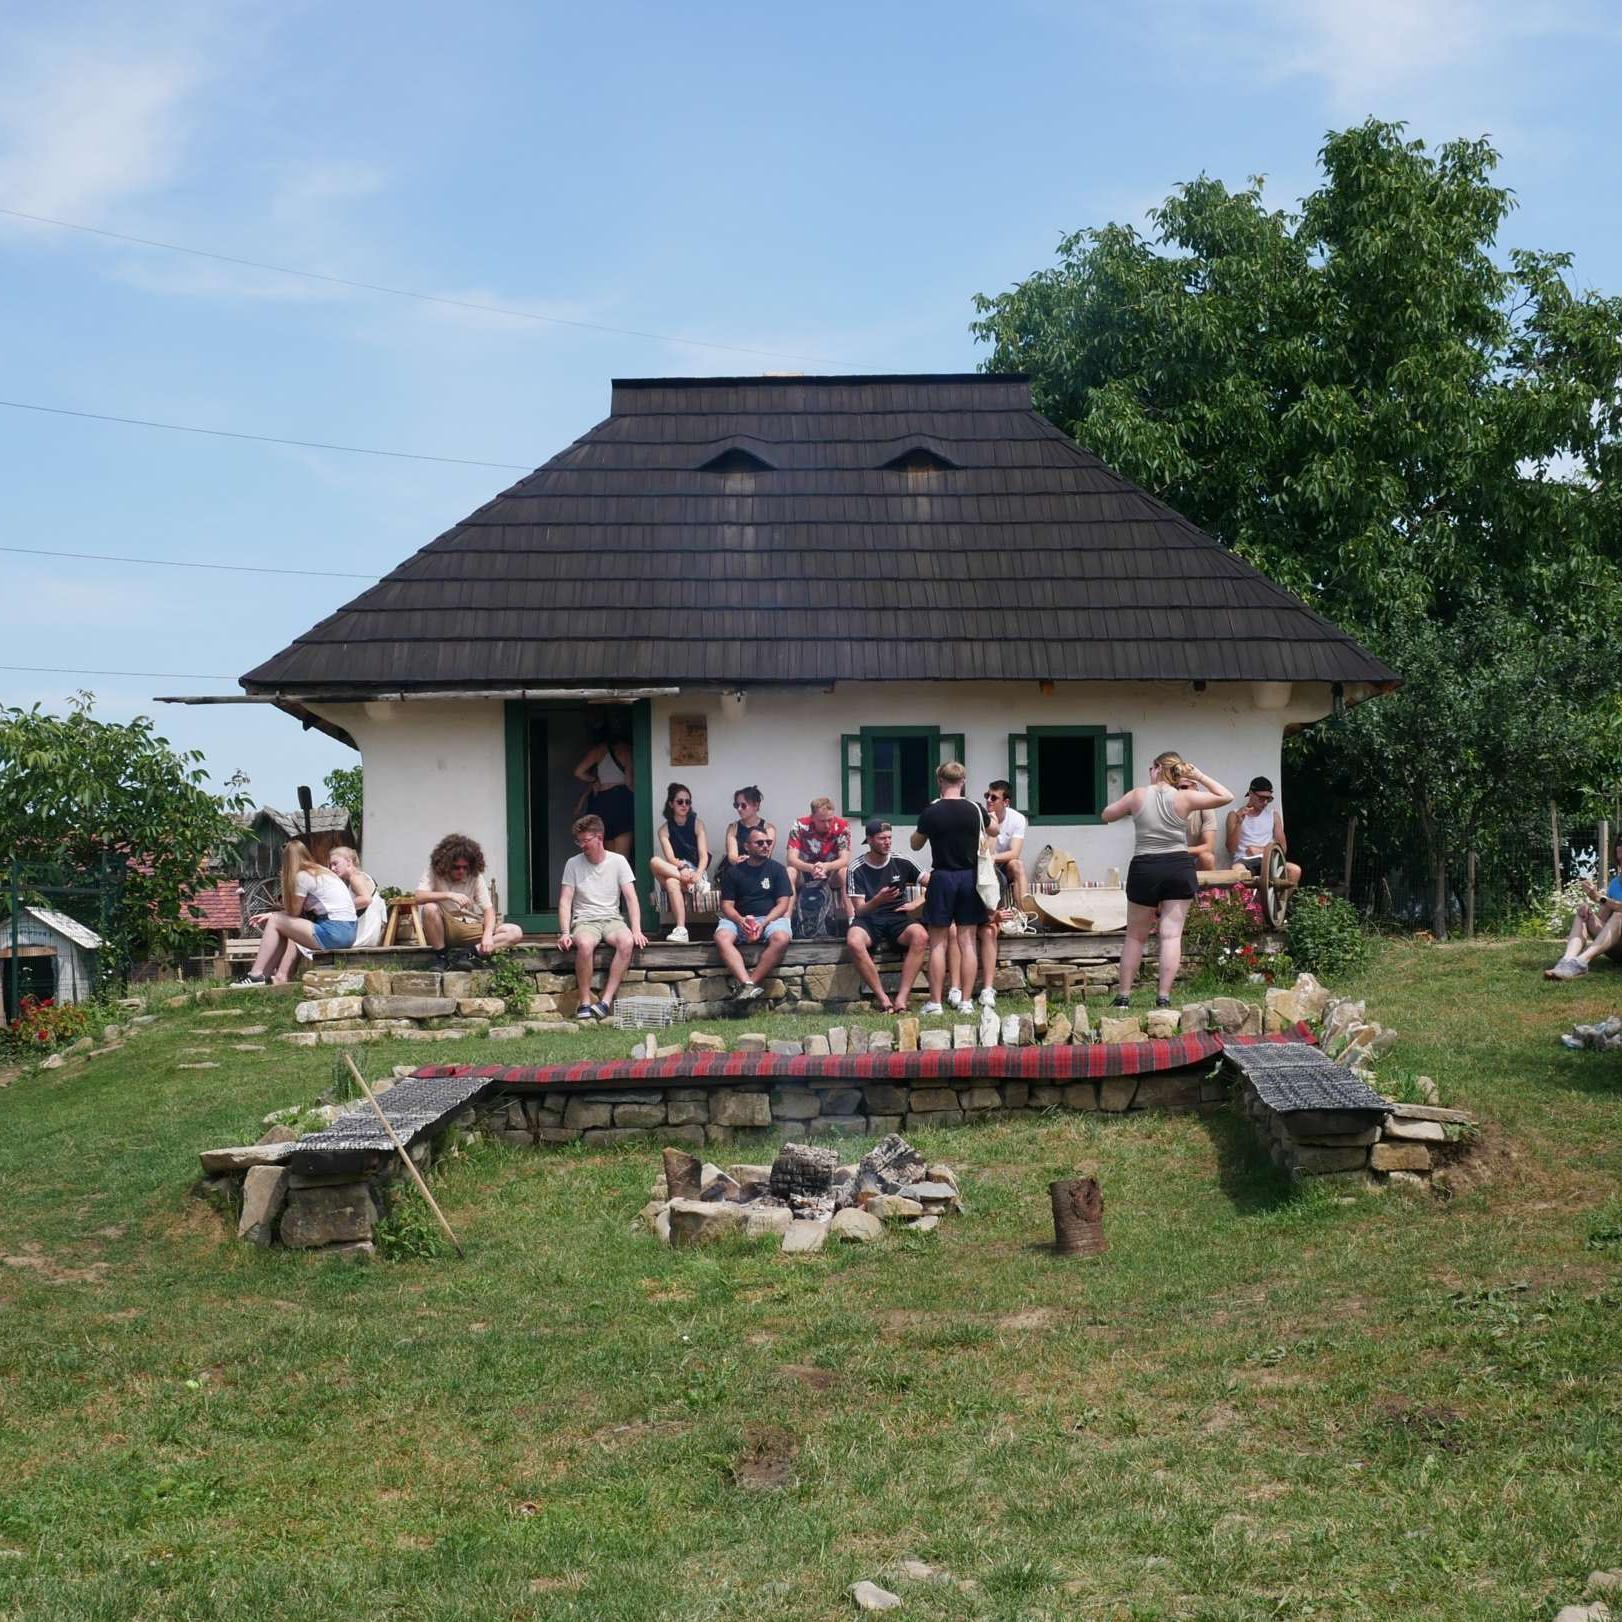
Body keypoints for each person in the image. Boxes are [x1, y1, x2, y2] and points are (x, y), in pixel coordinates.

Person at [1102, 752, 1231, 1008]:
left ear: (1157, 768)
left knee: (1135, 936)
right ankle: (1163, 997)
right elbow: (1226, 796)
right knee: (1171, 936)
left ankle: (1124, 997)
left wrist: (1133, 809)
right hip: (1177, 866)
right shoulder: (1185, 796)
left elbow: (1106, 815)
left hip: (1145, 866)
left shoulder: (1137, 795)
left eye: (1152, 767)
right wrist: (1198, 776)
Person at [910, 760, 997, 1016]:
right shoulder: (974, 809)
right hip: (969, 877)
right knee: (968, 941)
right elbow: (995, 829)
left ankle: (936, 1003)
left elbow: (916, 844)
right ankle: (968, 1001)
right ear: (963, 781)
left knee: (938, 943)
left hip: (943, 876)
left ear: (939, 781)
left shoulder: (931, 811)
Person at [558, 814, 648, 1019]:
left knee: (626, 941)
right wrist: (565, 932)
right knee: (585, 944)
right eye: (578, 841)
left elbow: (631, 898)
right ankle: (585, 1001)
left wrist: (636, 930)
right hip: (584, 920)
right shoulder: (573, 863)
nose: (581, 845)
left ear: (599, 837)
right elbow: (565, 901)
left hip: (612, 919)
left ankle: (606, 1001)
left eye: (585, 840)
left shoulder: (618, 861)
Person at [236, 840, 357, 985]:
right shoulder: (321, 871)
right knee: (279, 925)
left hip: (334, 931)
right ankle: (263, 975)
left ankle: (255, 974)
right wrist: (272, 914)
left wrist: (274, 913)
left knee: (275, 922)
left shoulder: (302, 876)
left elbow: (294, 913)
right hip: (349, 932)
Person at [845, 819, 928, 1013]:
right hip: (869, 918)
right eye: (882, 838)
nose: (887, 842)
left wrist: (916, 903)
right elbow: (860, 910)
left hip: (896, 916)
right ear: (870, 840)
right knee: (854, 941)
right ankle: (883, 999)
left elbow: (934, 883)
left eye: (889, 838)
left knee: (921, 936)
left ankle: (901, 999)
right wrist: (878, 900)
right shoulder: (856, 868)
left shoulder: (902, 860)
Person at [275, 844, 387, 979]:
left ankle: (282, 975)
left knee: (296, 935)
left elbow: (366, 899)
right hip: (361, 929)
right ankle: (284, 975)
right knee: (301, 932)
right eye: (331, 865)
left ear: (349, 861)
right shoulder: (354, 879)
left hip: (363, 932)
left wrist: (340, 906)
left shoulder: (356, 877)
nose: (332, 868)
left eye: (335, 864)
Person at [415, 833, 524, 968]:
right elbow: (418, 897)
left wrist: (488, 935)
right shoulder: (434, 871)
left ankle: (469, 954)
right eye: (456, 867)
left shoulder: (475, 876)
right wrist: (449, 895)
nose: (461, 871)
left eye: (465, 867)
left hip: (470, 925)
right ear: (446, 864)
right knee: (429, 908)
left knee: (515, 931)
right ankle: (441, 958)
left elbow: (488, 909)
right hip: (444, 926)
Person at [714, 824, 793, 1002]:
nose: (765, 846)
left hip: (770, 919)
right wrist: (740, 920)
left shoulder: (777, 869)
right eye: (759, 843)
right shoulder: (733, 872)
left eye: (768, 842)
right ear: (747, 846)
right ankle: (747, 983)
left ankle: (749, 984)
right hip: (739, 918)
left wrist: (763, 923)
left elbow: (783, 904)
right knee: (722, 937)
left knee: (781, 938)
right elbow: (726, 905)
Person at [1546, 835, 1622, 979]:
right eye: (1619, 842)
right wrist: (1589, 915)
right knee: (1583, 913)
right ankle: (1567, 960)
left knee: (1619, 915)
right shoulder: (1614, 884)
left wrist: (1599, 898)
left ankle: (1581, 962)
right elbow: (1602, 921)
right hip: (1617, 947)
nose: (1621, 846)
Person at [651, 782, 709, 943]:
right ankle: (682, 929)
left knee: (670, 882)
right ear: (671, 803)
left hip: (696, 871)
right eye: (680, 801)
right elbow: (670, 857)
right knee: (655, 861)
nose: (684, 805)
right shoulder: (664, 829)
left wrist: (697, 874)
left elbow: (703, 855)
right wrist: (682, 868)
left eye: (687, 802)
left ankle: (681, 928)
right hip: (677, 868)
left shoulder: (697, 824)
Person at [786, 796, 852, 937]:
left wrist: (826, 867)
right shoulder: (800, 825)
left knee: (845, 872)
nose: (827, 825)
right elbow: (791, 859)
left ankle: (852, 921)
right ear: (812, 817)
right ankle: (786, 922)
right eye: (822, 821)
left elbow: (844, 859)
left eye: (830, 820)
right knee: (790, 871)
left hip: (830, 873)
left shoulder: (842, 826)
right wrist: (811, 868)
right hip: (805, 872)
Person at [1226, 776, 1303, 886]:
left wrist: (1261, 850)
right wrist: (1239, 822)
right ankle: (1243, 902)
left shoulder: (1273, 815)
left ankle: (1277, 903)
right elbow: (1231, 848)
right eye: (1262, 798)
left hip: (1268, 859)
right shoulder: (1234, 814)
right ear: (1251, 794)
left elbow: (1283, 848)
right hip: (1244, 860)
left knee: (1295, 870)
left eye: (1269, 799)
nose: (1265, 802)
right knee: (1236, 870)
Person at [573, 729, 635, 857]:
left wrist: (594, 779)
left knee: (607, 856)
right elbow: (629, 781)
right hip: (622, 799)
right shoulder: (628, 751)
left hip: (602, 800)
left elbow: (578, 772)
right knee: (622, 857)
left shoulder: (598, 751)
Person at [984, 780, 1029, 902]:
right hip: (983, 866)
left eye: (993, 798)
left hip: (1003, 864)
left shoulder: (1017, 818)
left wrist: (993, 858)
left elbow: (1015, 853)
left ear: (1006, 802)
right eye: (987, 796)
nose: (988, 800)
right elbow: (986, 853)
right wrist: (993, 825)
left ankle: (1023, 914)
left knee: (1017, 865)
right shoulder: (979, 817)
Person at [724, 785, 777, 866]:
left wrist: (749, 860)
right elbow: (732, 856)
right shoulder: (733, 828)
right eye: (736, 805)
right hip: (738, 868)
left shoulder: (768, 828)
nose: (739, 809)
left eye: (743, 805)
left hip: (760, 870)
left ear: (756, 805)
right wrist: (739, 860)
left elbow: (766, 854)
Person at [1182, 779, 1219, 872]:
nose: (1180, 791)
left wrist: (1181, 850)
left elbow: (1208, 847)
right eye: (1175, 787)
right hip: (1172, 859)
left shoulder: (1205, 806)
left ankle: (1210, 887)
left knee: (1208, 858)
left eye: (1184, 787)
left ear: (1195, 788)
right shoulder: (1167, 807)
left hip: (1193, 857)